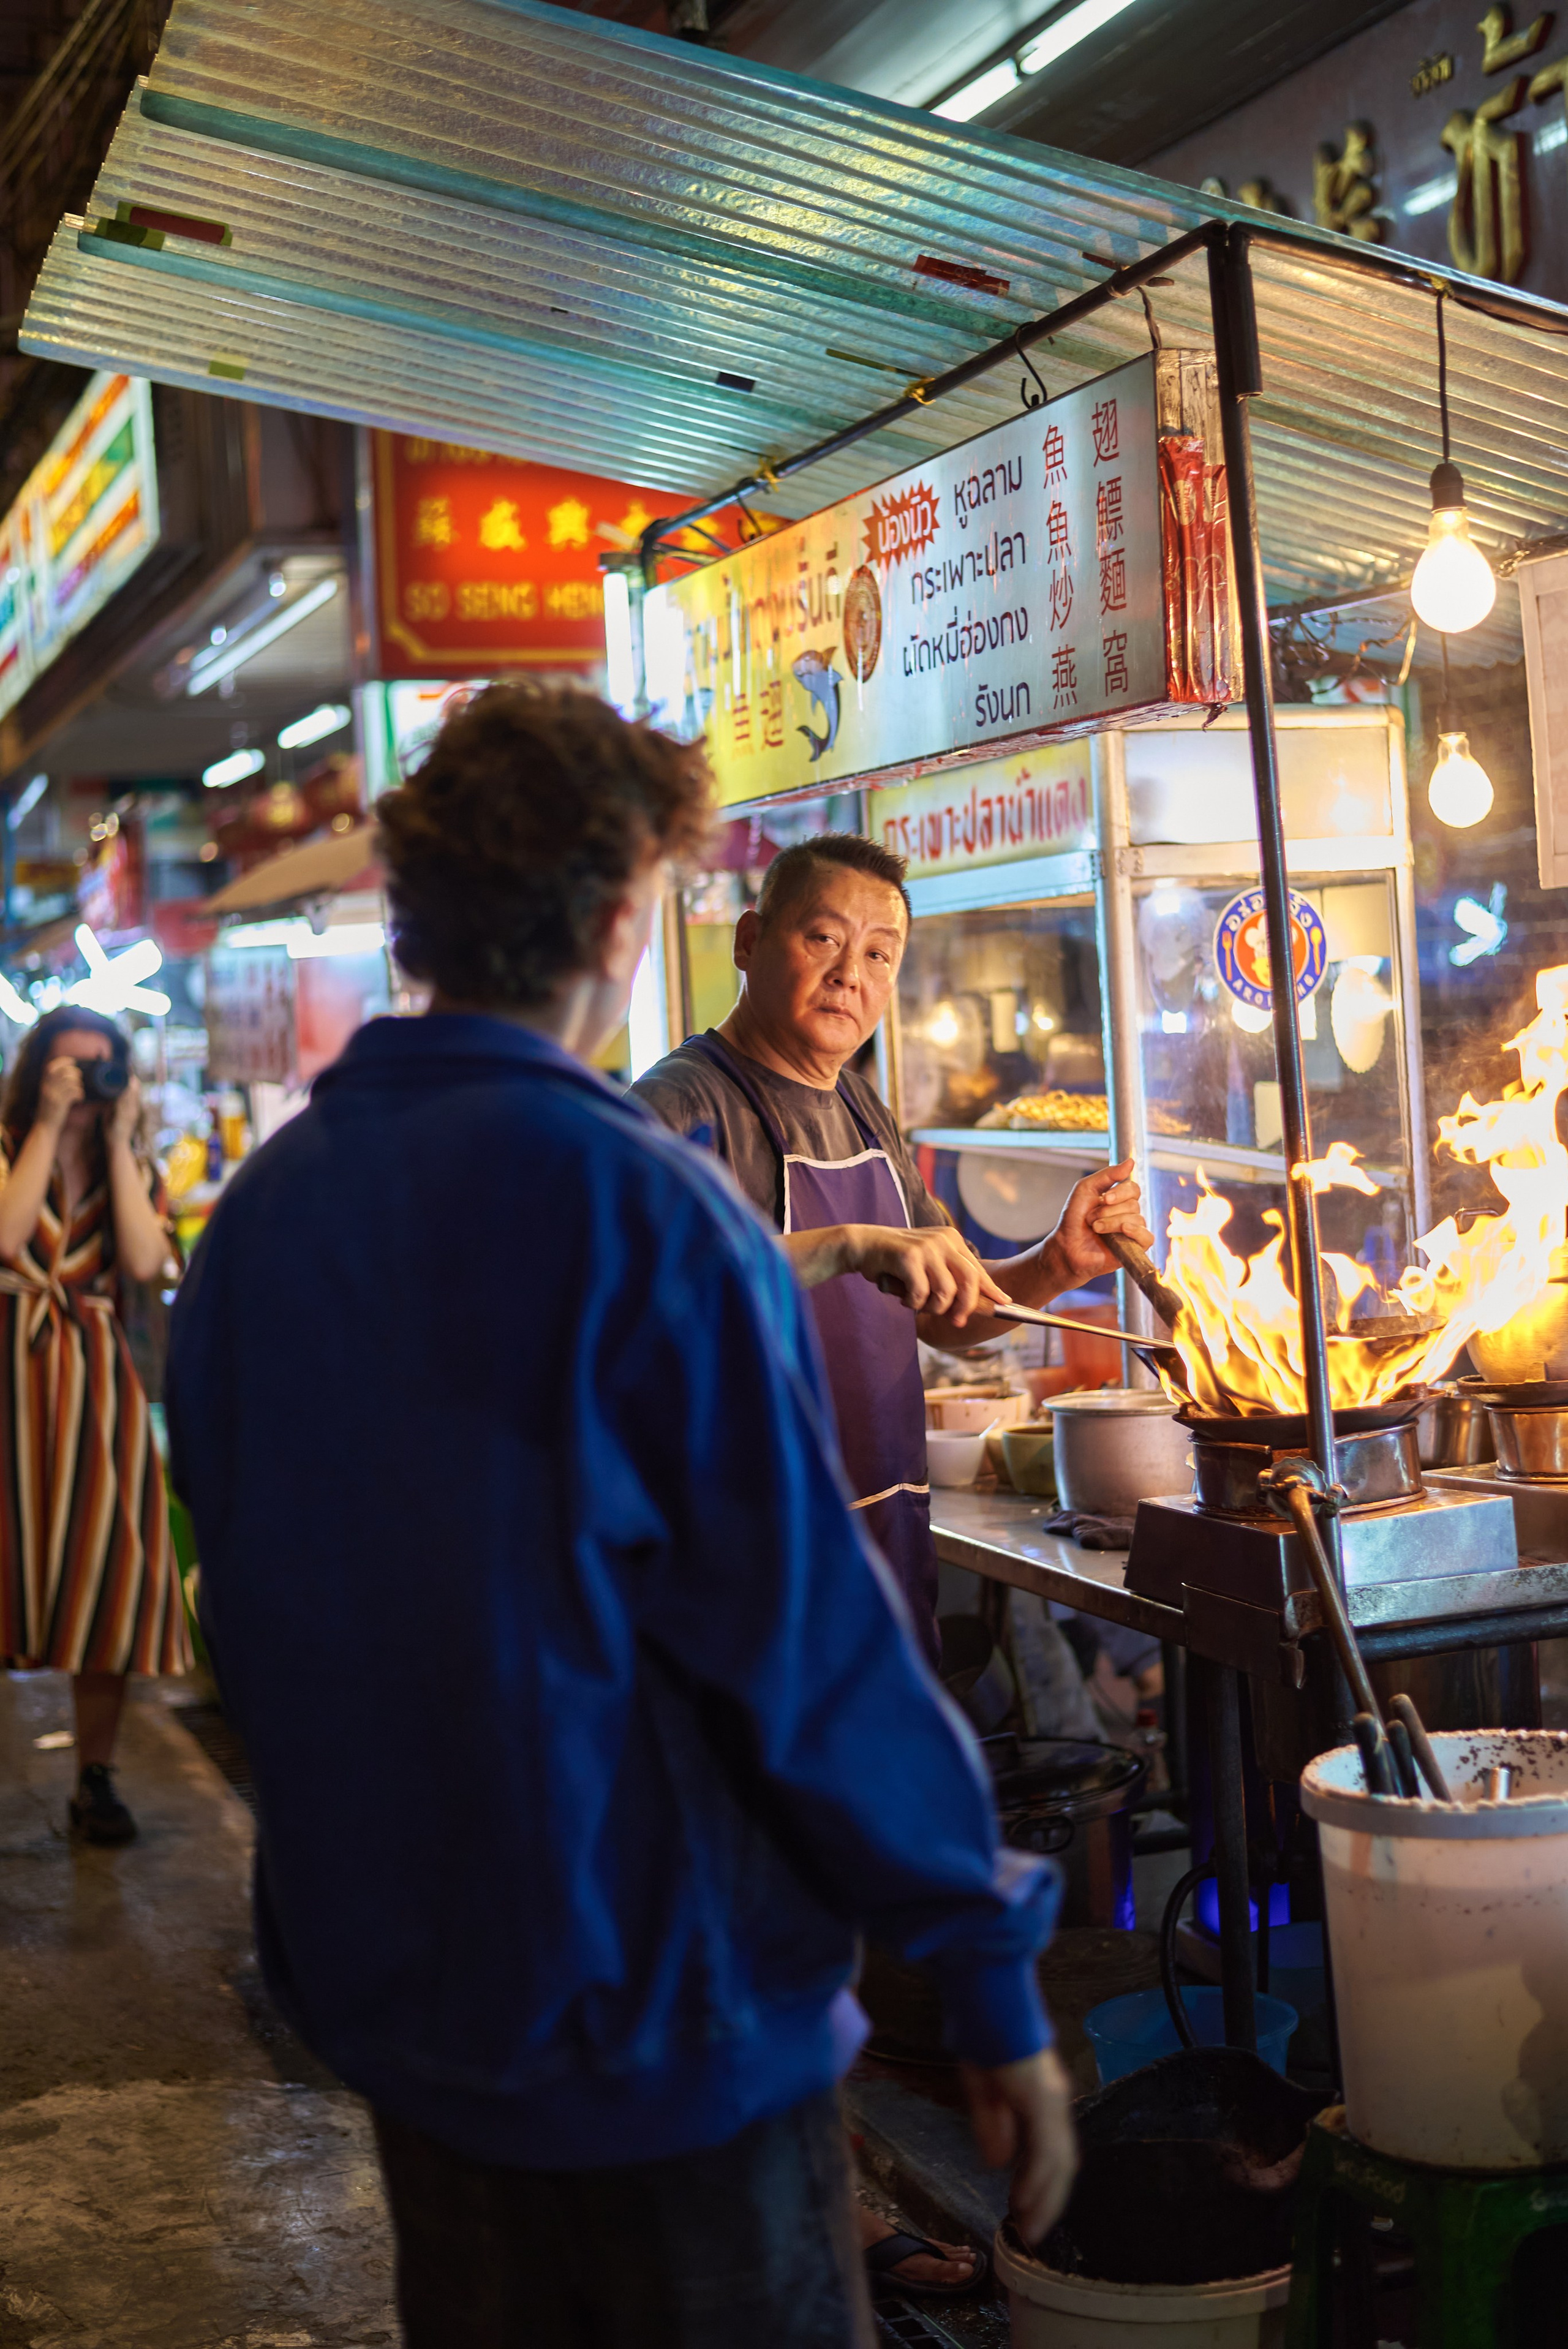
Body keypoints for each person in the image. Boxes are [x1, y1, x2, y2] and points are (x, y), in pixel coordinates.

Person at [166, 683, 1077, 2349]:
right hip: (675, 2031)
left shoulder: (261, 1222)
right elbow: (807, 1646)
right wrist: (991, 1963)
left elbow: (243, 1618)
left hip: (414, 2023)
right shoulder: (650, 1200)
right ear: (619, 914)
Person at [631, 835, 1154, 1657]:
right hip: (754, 1565)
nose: (851, 974)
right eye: (823, 939)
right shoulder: (680, 1105)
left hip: (885, 1536)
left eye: (880, 954)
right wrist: (843, 1244)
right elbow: (639, 1294)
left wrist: (1057, 1262)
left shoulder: (865, 1110)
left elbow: (946, 1314)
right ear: (748, 941)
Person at [0, 1007, 188, 1843]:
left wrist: (118, 1140)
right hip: (9, 1377)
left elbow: (147, 1265)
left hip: (95, 1390)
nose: (82, 1088)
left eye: (98, 1069)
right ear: (37, 1069)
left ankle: (97, 1777)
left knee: (102, 1573)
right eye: (66, 1070)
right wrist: (44, 1123)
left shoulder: (134, 1169)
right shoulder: (9, 1150)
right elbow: (7, 1239)